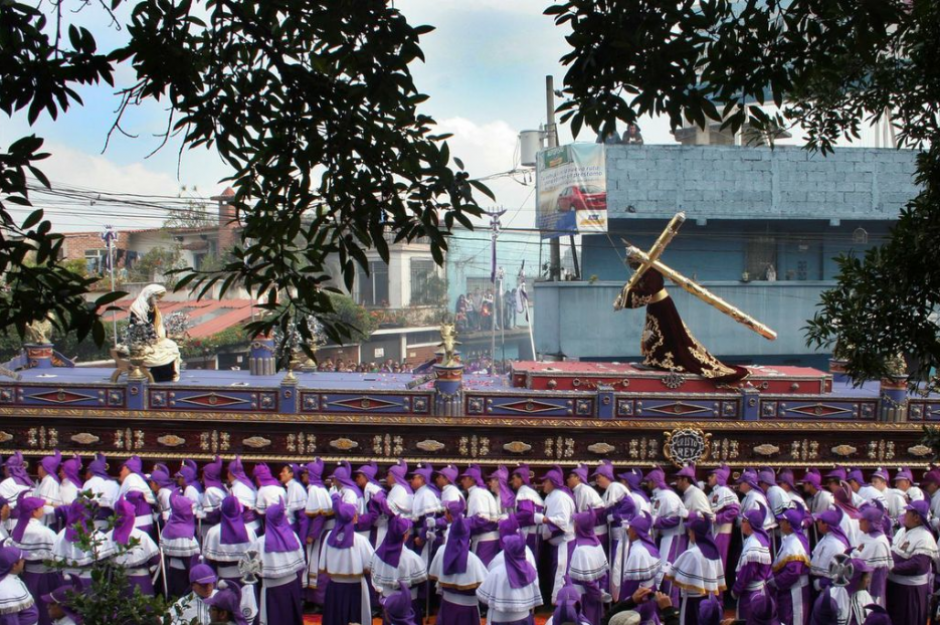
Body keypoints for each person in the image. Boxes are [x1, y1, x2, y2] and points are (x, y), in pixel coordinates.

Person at [615, 252, 748, 383]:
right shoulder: (646, 271)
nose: (633, 267)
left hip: (662, 307)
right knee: (655, 334)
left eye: (633, 264)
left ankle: (665, 360)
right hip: (655, 307)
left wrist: (626, 295)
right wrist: (626, 292)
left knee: (665, 334)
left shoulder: (652, 272)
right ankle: (656, 359)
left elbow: (646, 293)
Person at [427, 500, 488, 625]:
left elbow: (435, 577)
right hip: (467, 611)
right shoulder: (473, 560)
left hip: (447, 606)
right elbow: (486, 589)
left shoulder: (441, 552)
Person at [319, 497, 375, 625]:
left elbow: (324, 563)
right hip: (354, 590)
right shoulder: (360, 540)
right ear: (354, 518)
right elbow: (372, 564)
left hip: (334, 589)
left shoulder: (329, 537)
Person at [667, 512, 724, 625]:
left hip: (691, 600)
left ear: (696, 533)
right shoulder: (714, 551)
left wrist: (668, 569)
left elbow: (677, 578)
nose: (689, 534)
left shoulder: (692, 553)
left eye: (691, 531)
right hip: (708, 599)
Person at [885, 501, 937, 625]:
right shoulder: (901, 531)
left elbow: (918, 565)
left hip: (910, 591)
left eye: (908, 512)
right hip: (893, 587)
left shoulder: (925, 537)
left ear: (917, 517)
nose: (905, 514)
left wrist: (892, 568)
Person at [253, 502, 305, 625]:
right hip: (292, 588)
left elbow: (248, 570)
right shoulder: (293, 536)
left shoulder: (260, 542)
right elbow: (301, 564)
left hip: (272, 592)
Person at [10, 497, 59, 625]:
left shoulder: (18, 529)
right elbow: (56, 555)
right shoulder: (45, 532)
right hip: (46, 576)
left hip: (27, 575)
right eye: (41, 507)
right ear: (34, 512)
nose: (43, 509)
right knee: (45, 609)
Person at [476, 534, 542, 625]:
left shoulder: (496, 572)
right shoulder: (531, 571)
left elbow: (482, 597)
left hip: (499, 620)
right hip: (524, 619)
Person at [534, 465, 576, 602]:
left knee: (561, 573)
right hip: (553, 543)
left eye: (545, 481)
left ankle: (563, 604)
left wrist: (544, 519)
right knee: (555, 572)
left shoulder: (561, 497)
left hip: (563, 542)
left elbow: (563, 521)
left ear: (552, 482)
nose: (543, 484)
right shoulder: (551, 496)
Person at [126, 284, 182, 382]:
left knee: (171, 345)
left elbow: (158, 326)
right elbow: (136, 328)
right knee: (159, 350)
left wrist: (161, 335)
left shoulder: (154, 309)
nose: (157, 300)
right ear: (149, 296)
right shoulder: (137, 309)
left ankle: (166, 374)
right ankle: (158, 374)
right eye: (156, 297)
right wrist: (150, 338)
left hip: (154, 338)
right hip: (141, 340)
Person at [645, 467, 685, 599]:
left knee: (668, 571)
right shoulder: (659, 496)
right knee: (661, 571)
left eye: (649, 481)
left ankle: (672, 605)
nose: (648, 484)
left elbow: (677, 519)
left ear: (654, 482)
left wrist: (656, 521)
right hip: (664, 538)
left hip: (673, 538)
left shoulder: (669, 497)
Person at [370, 516, 426, 609]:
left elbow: (375, 581)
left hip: (388, 604)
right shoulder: (412, 558)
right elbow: (422, 585)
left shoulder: (377, 555)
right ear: (404, 536)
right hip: (409, 604)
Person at [203, 496, 258, 588]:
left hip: (222, 582)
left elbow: (209, 564)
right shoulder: (249, 531)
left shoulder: (213, 532)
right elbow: (254, 560)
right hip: (247, 583)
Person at [108, 498, 160, 597]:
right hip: (141, 583)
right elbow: (156, 559)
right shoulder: (141, 535)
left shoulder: (108, 536)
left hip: (118, 584)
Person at [569, 510, 610, 625]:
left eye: (576, 523)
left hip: (583, 598)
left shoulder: (581, 549)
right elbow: (603, 574)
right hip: (595, 595)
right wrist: (600, 591)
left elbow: (586, 581)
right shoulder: (597, 543)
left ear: (580, 526)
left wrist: (597, 594)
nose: (574, 525)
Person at [771, 507, 811, 625]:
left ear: (789, 524)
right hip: (788, 590)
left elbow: (793, 572)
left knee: (794, 620)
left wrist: (775, 582)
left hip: (795, 591)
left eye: (782, 521)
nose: (780, 522)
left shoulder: (795, 544)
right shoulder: (791, 539)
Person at [733, 503, 772, 621]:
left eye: (744, 521)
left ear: (751, 524)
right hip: (758, 591)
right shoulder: (758, 538)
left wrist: (736, 589)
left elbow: (748, 572)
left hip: (750, 594)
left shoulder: (753, 544)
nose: (741, 524)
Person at [459, 465, 500, 567]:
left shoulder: (477, 494)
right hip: (489, 538)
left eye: (464, 478)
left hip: (484, 539)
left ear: (472, 479)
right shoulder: (481, 492)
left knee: (481, 572)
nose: (462, 481)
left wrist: (462, 523)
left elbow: (481, 519)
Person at [162, 492, 200, 598]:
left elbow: (163, 549)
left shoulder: (168, 528)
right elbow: (190, 558)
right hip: (184, 575)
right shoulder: (184, 534)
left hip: (172, 572)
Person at [853, 503, 891, 607]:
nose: (859, 521)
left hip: (871, 589)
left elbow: (880, 575)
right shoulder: (863, 534)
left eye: (862, 520)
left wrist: (874, 598)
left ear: (871, 523)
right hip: (858, 587)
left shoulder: (880, 542)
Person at [707, 464, 740, 570]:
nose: (709, 478)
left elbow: (734, 510)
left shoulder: (725, 491)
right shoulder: (714, 492)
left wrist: (718, 517)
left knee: (718, 561)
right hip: (713, 530)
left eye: (712, 476)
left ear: (719, 477)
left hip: (722, 532)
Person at [811, 508, 851, 590]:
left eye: (819, 521)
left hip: (829, 589)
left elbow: (836, 574)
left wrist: (820, 584)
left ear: (825, 524)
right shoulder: (826, 537)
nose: (817, 523)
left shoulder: (835, 545)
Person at [510, 465, 543, 557]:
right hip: (536, 532)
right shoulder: (531, 491)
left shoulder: (524, 491)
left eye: (514, 478)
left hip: (530, 534)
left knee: (527, 559)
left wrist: (510, 518)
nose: (512, 481)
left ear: (521, 479)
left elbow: (527, 513)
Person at [0, 547, 38, 625]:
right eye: (22, 559)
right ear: (14, 565)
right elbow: (9, 621)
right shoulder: (6, 590)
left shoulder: (11, 577)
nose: (24, 560)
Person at [226, 458, 259, 532]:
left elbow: (239, 510)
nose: (227, 475)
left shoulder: (238, 488)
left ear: (231, 473)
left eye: (228, 472)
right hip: (254, 525)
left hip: (247, 528)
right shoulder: (248, 483)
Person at [33, 451, 61, 528]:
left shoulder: (50, 481)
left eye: (40, 465)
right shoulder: (45, 480)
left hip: (44, 520)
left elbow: (46, 504)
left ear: (45, 467)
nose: (38, 467)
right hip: (39, 518)